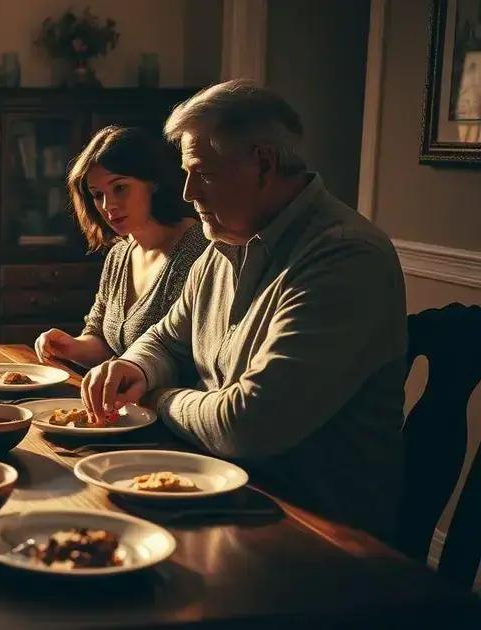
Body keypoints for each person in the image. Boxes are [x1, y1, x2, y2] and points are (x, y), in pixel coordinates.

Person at [84, 80, 407, 539]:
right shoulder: (224, 243)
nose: (189, 192)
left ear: (264, 164)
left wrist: (155, 396)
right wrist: (134, 365)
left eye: (204, 173)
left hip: (315, 534)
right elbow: (165, 338)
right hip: (222, 498)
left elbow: (246, 425)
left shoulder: (345, 259)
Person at [35, 126, 207, 370]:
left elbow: (188, 359)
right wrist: (68, 346)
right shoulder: (119, 255)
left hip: (172, 404)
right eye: (97, 194)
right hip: (123, 402)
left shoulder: (198, 248)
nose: (108, 205)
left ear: (153, 183)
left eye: (120, 188)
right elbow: (103, 342)